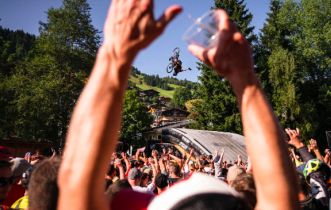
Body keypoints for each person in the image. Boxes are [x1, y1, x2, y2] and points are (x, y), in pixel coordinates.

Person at [57, 1, 300, 209]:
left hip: (173, 65)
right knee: (178, 66)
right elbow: (281, 189)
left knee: (179, 67)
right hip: (181, 65)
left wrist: (114, 53)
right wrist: (246, 79)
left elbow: (74, 182)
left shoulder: (177, 65)